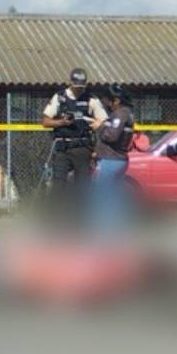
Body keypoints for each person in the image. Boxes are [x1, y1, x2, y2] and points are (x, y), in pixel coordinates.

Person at [41, 68, 107, 216]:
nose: (79, 90)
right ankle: (53, 220)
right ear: (70, 83)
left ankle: (80, 221)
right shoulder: (60, 97)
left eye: (81, 87)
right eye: (76, 87)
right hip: (63, 148)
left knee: (82, 187)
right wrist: (62, 122)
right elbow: (45, 121)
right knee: (58, 186)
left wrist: (99, 124)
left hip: (83, 148)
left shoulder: (91, 99)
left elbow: (104, 120)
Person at [89, 83, 136, 232]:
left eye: (108, 101)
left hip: (111, 160)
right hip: (117, 159)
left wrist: (100, 126)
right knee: (114, 196)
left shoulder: (121, 113)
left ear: (116, 100)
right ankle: (119, 232)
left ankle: (105, 234)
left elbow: (111, 136)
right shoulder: (126, 113)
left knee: (103, 196)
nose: (107, 105)